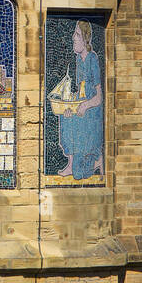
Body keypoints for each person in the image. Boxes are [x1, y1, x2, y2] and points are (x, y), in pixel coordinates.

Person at [56, 21, 103, 179]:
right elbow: (80, 90)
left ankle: (95, 160)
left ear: (85, 38)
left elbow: (98, 97)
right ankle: (70, 162)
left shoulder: (92, 59)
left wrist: (85, 105)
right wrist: (70, 104)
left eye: (76, 34)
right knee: (65, 114)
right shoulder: (78, 60)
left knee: (79, 174)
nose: (73, 38)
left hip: (92, 110)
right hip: (82, 105)